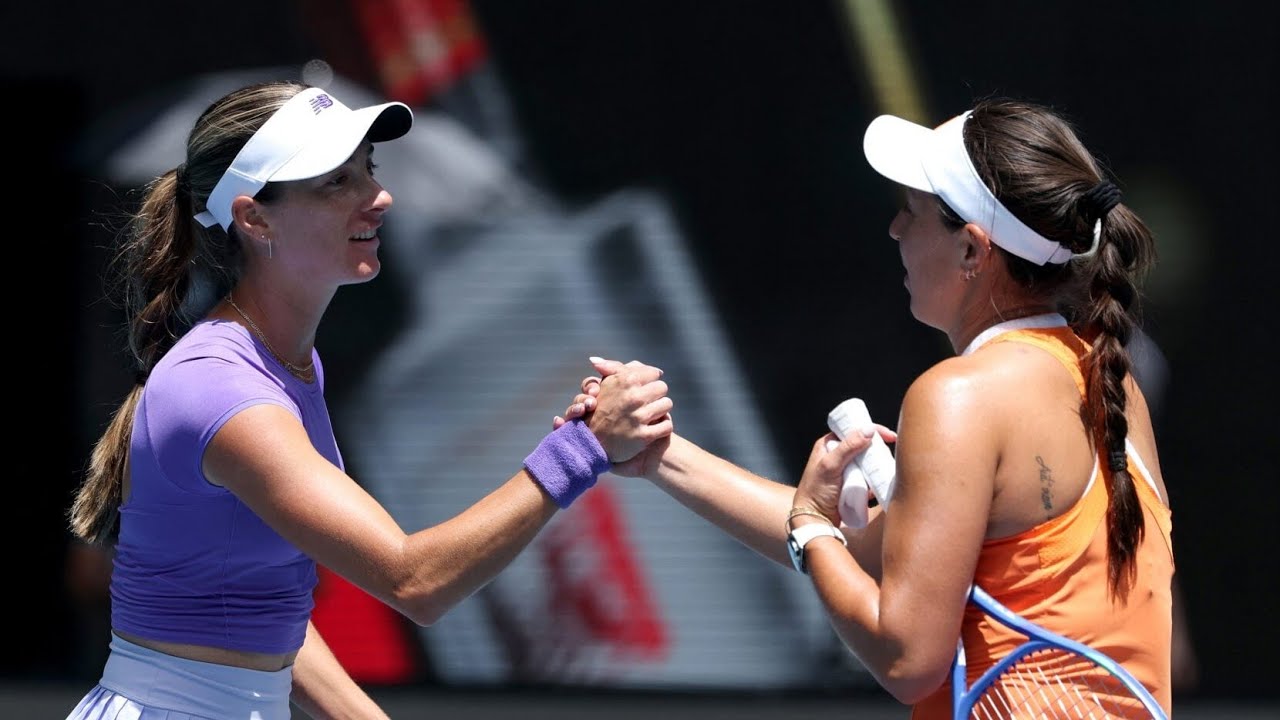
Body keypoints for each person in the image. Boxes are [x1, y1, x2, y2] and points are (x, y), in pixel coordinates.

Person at [66, 80, 674, 720]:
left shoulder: (287, 366)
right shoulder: (220, 386)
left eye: (369, 172)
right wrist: (582, 448)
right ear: (255, 219)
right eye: (336, 183)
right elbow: (414, 580)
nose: (379, 198)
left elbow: (261, 608)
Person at [566, 97, 1173, 717]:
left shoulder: (959, 397)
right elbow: (856, 550)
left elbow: (906, 657)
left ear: (971, 249)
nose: (895, 230)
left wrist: (810, 527)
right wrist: (656, 453)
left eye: (912, 211)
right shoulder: (1109, 381)